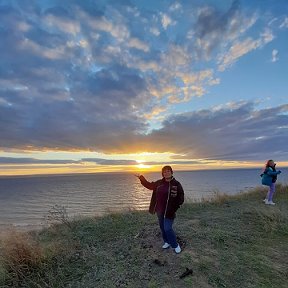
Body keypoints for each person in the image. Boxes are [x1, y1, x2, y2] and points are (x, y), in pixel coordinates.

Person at [135, 166, 184, 254]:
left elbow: (181, 199)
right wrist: (141, 177)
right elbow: (149, 185)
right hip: (159, 210)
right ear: (162, 174)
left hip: (169, 212)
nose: (166, 173)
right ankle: (167, 241)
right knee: (162, 227)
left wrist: (174, 208)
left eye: (168, 171)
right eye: (164, 172)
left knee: (168, 228)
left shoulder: (176, 184)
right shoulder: (159, 183)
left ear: (171, 172)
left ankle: (175, 245)